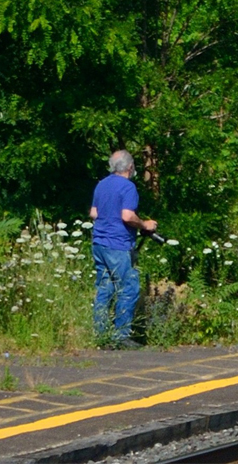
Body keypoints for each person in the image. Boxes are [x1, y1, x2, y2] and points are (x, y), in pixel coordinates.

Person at [89, 150, 156, 349]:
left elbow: (94, 213)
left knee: (105, 288)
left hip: (99, 243)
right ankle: (121, 335)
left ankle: (100, 335)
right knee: (129, 287)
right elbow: (127, 216)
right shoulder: (128, 187)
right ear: (130, 167)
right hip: (117, 245)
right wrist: (145, 225)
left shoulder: (102, 185)